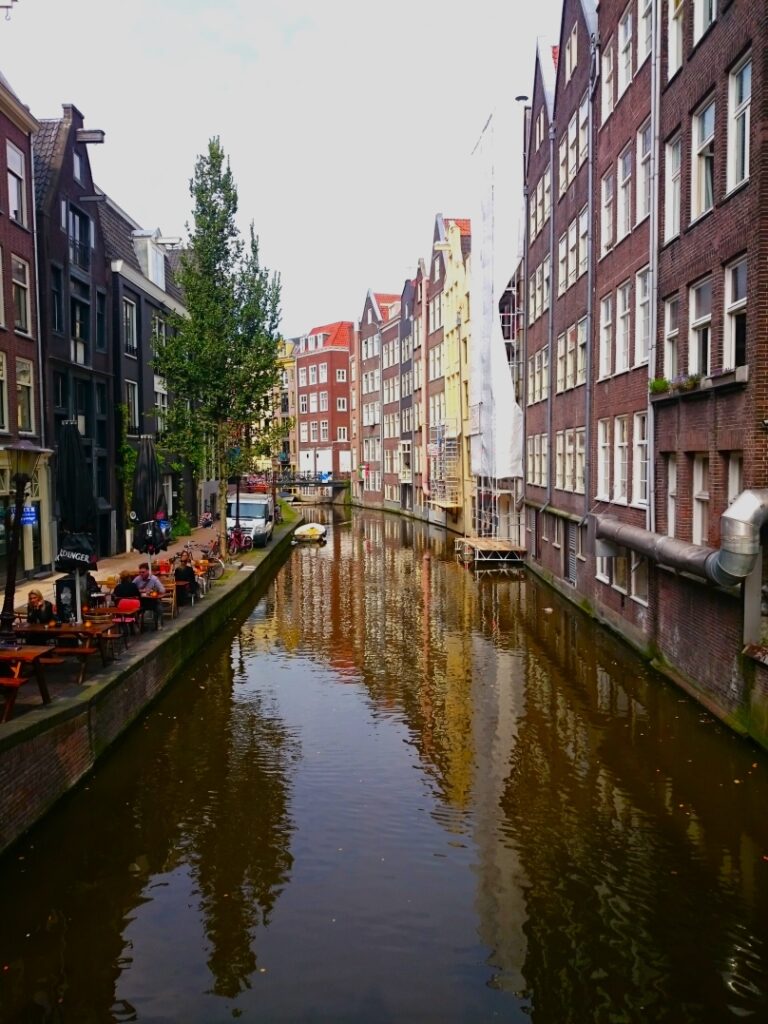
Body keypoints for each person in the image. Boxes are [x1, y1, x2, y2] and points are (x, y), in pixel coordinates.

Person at [132, 563, 166, 630]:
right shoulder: (137, 579)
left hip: (152, 601)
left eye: (143, 572)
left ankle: (159, 623)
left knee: (159, 607)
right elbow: (131, 588)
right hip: (141, 602)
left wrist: (154, 590)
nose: (141, 574)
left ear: (148, 571)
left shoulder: (154, 579)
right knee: (133, 610)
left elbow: (162, 590)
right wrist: (142, 591)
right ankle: (136, 625)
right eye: (140, 572)